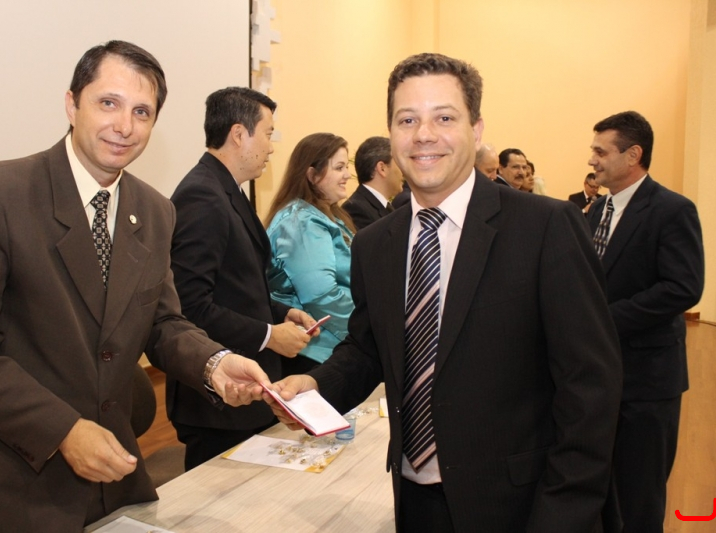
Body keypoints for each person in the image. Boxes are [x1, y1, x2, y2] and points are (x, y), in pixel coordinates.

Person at [0, 41, 269, 532]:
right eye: (108, 103)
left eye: (142, 112)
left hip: (113, 484)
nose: (124, 126)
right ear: (72, 104)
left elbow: (163, 322)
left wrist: (214, 363)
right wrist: (61, 429)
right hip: (11, 490)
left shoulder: (155, 211)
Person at [266, 53, 623, 532]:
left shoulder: (545, 227)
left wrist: (563, 513)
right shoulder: (375, 244)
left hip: (520, 506)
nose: (424, 135)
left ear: (476, 130)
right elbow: (368, 347)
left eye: (445, 118)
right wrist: (317, 385)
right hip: (414, 499)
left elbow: (591, 387)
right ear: (391, 134)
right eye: (407, 120)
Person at [168, 87, 316, 471]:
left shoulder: (225, 189)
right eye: (268, 134)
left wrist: (281, 314)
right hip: (218, 399)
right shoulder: (203, 195)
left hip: (241, 394)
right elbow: (188, 306)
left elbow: (236, 285)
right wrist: (269, 335)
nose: (271, 148)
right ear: (238, 134)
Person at [587, 111, 704, 533]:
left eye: (601, 152)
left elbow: (683, 287)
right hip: (600, 377)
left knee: (639, 496)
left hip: (647, 381)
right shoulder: (595, 211)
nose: (592, 160)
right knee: (602, 488)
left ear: (633, 155)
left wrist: (603, 320)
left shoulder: (672, 209)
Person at [264, 133, 356, 371]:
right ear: (312, 175)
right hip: (314, 351)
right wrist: (364, 326)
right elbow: (320, 295)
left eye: (346, 167)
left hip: (330, 344)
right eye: (339, 168)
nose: (348, 174)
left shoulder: (327, 215)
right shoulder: (300, 221)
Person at [343, 136, 404, 230]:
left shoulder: (386, 207)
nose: (403, 170)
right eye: (399, 163)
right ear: (382, 168)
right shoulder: (356, 209)